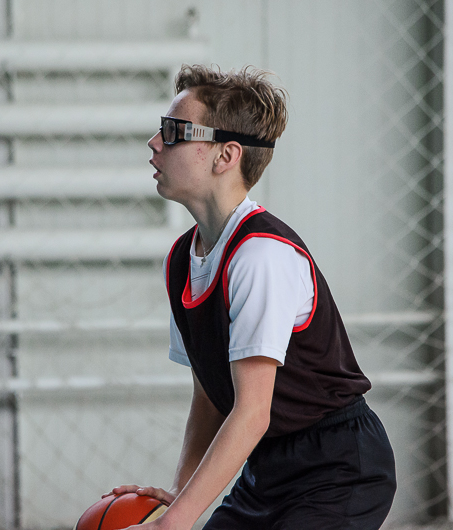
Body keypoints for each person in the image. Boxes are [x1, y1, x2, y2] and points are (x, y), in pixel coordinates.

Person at [107, 64, 397, 530]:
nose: (154, 142)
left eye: (174, 131)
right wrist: (178, 497)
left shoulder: (261, 255)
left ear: (225, 155)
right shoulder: (182, 260)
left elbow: (252, 412)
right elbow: (210, 396)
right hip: (269, 468)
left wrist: (174, 522)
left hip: (339, 467)